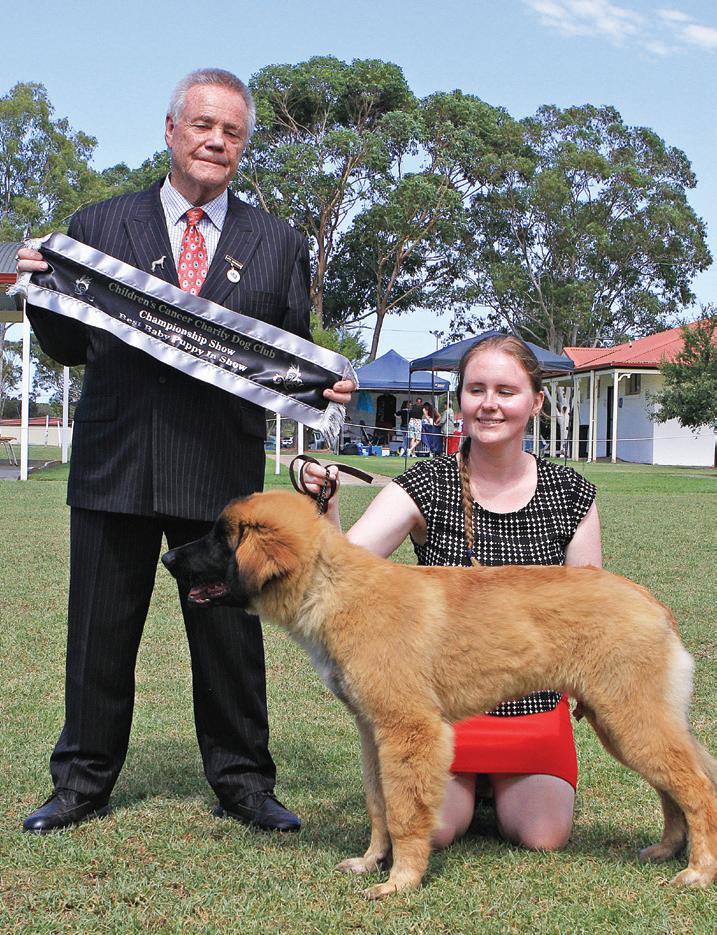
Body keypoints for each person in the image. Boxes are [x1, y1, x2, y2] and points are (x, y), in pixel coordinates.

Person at [17, 68, 354, 835]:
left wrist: (322, 387)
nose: (216, 141)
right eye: (203, 125)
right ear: (170, 129)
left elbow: (287, 353)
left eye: (232, 132)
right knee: (99, 635)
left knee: (230, 635)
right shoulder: (98, 224)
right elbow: (67, 345)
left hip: (220, 473)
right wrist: (39, 292)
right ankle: (81, 781)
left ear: (243, 146)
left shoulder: (278, 242)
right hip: (115, 464)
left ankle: (244, 781)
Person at [301, 335, 600, 851]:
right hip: (441, 712)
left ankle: (499, 787)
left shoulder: (570, 492)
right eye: (475, 389)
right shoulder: (426, 482)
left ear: (535, 402)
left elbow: (590, 607)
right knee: (433, 831)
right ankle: (465, 786)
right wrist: (324, 504)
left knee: (543, 836)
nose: (489, 404)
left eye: (506, 391)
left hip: (532, 708)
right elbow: (344, 571)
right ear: (459, 399)